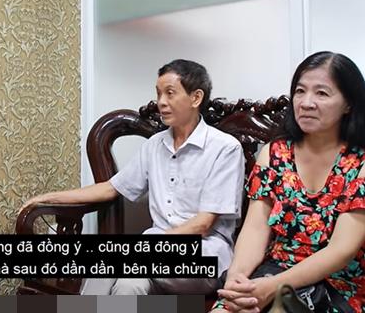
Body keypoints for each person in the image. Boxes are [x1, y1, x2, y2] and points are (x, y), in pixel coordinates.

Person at [21, 59, 245, 295]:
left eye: (170, 93)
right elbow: (111, 188)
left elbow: (203, 224)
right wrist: (47, 198)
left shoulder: (224, 148)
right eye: (158, 93)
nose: (161, 102)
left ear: (196, 98)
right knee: (128, 286)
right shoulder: (155, 145)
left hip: (204, 255)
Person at [212, 51, 365, 313]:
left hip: (336, 282)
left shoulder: (360, 164)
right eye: (300, 91)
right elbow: (255, 230)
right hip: (273, 270)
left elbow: (341, 251)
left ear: (348, 104)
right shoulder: (274, 153)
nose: (306, 103)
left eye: (322, 93)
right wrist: (237, 281)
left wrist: (273, 288)